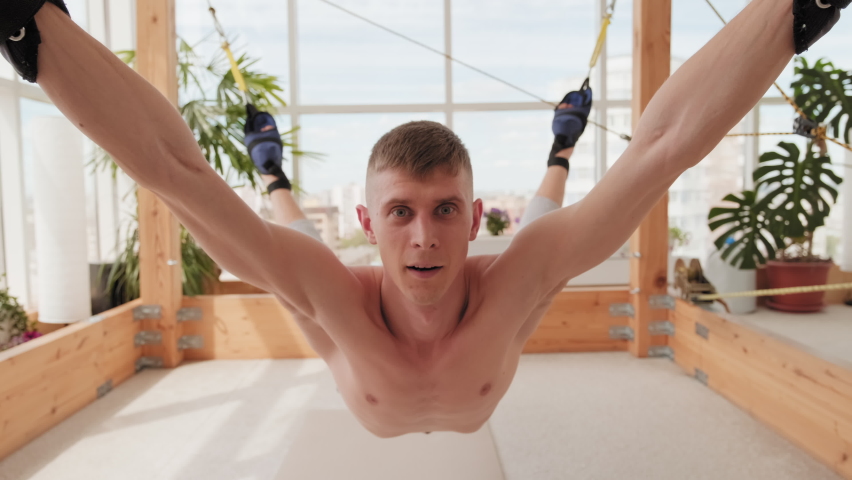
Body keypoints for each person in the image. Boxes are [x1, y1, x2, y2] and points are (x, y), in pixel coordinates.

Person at [1, 0, 846, 438]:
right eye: (399, 213)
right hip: (322, 277)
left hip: (513, 263)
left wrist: (794, 13)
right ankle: (274, 173)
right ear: (368, 222)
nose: (424, 236)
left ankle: (560, 145)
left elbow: (661, 148)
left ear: (476, 217)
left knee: (546, 227)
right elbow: (170, 168)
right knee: (284, 240)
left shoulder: (515, 269)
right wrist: (29, 23)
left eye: (447, 212)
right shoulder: (332, 289)